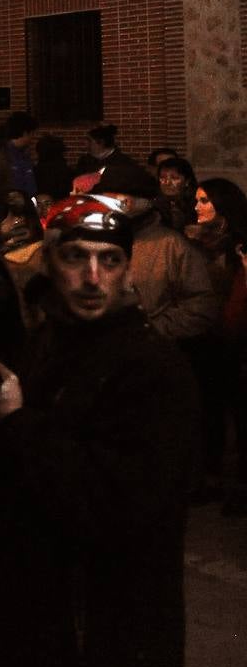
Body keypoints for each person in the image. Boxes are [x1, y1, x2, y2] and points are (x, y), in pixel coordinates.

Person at [0, 192, 195, 667]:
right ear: (49, 262)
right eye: (76, 257)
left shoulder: (152, 367)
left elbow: (116, 502)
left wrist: (18, 423)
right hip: (33, 629)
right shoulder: (41, 348)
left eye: (110, 260)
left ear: (129, 272)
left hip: (104, 640)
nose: (93, 278)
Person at [93, 165, 216, 343]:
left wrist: (148, 331)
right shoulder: (97, 240)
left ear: (128, 203)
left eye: (108, 201)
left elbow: (199, 307)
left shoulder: (171, 245)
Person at [184, 177, 247, 512]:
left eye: (205, 200)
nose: (198, 207)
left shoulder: (238, 246)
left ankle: (238, 486)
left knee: (239, 416)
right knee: (207, 412)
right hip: (205, 340)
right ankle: (208, 479)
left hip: (236, 342)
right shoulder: (191, 243)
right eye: (197, 199)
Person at [2, 111, 39, 198]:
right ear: (25, 133)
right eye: (32, 133)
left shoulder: (24, 154)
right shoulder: (4, 155)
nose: (33, 137)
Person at [158, 156, 197, 232]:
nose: (167, 183)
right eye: (162, 177)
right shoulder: (154, 203)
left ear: (187, 181)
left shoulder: (197, 204)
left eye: (175, 178)